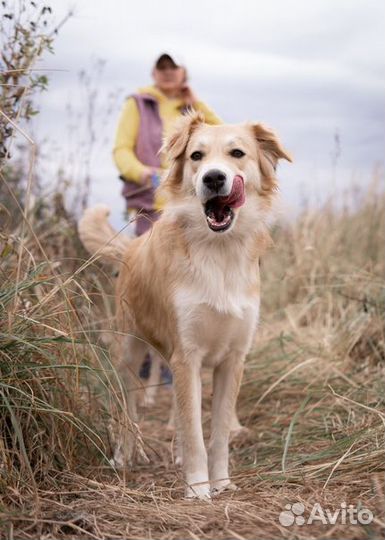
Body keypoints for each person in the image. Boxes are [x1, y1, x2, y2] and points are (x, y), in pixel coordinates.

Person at [113, 53, 221, 236]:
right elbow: (121, 150)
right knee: (153, 262)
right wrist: (142, 173)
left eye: (173, 67)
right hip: (152, 201)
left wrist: (196, 103)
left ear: (183, 72)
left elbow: (224, 138)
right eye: (162, 67)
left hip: (193, 202)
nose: (167, 72)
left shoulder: (193, 108)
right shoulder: (138, 103)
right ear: (154, 73)